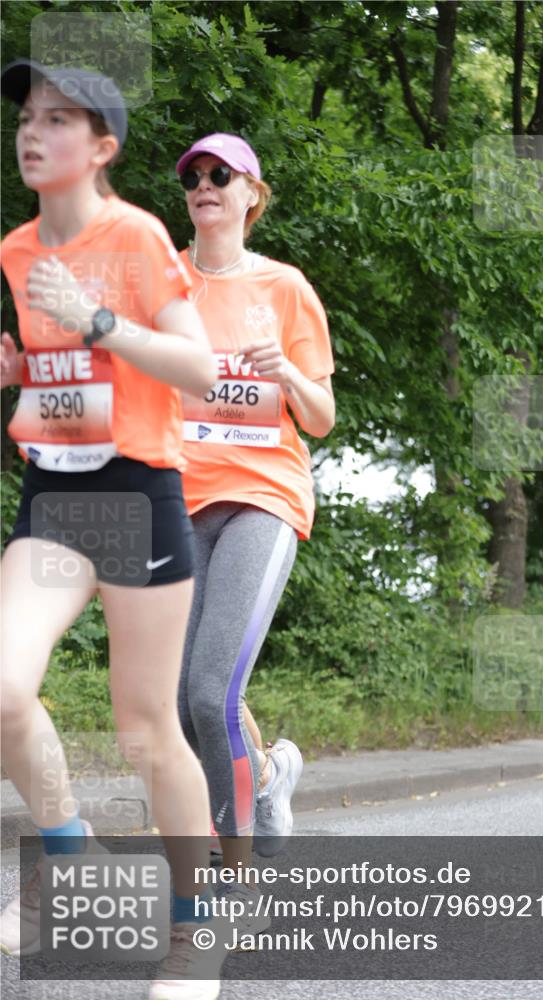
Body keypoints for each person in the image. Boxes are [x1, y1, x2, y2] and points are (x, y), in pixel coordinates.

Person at [0, 61, 230, 1000]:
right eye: (26, 116)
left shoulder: (133, 235)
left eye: (60, 120)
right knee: (4, 690)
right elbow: (58, 383)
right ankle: (70, 852)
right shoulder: (15, 248)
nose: (32, 130)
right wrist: (19, 377)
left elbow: (199, 370)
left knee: (145, 732)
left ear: (102, 150)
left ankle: (195, 931)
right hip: (54, 494)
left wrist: (97, 319)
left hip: (137, 494)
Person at [174, 133, 335, 900]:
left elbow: (324, 416)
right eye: (193, 178)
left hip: (263, 495)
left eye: (220, 175)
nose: (204, 185)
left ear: (250, 196)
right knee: (181, 700)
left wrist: (291, 376)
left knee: (211, 690)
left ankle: (231, 873)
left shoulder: (285, 287)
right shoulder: (163, 284)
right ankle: (270, 776)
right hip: (178, 499)